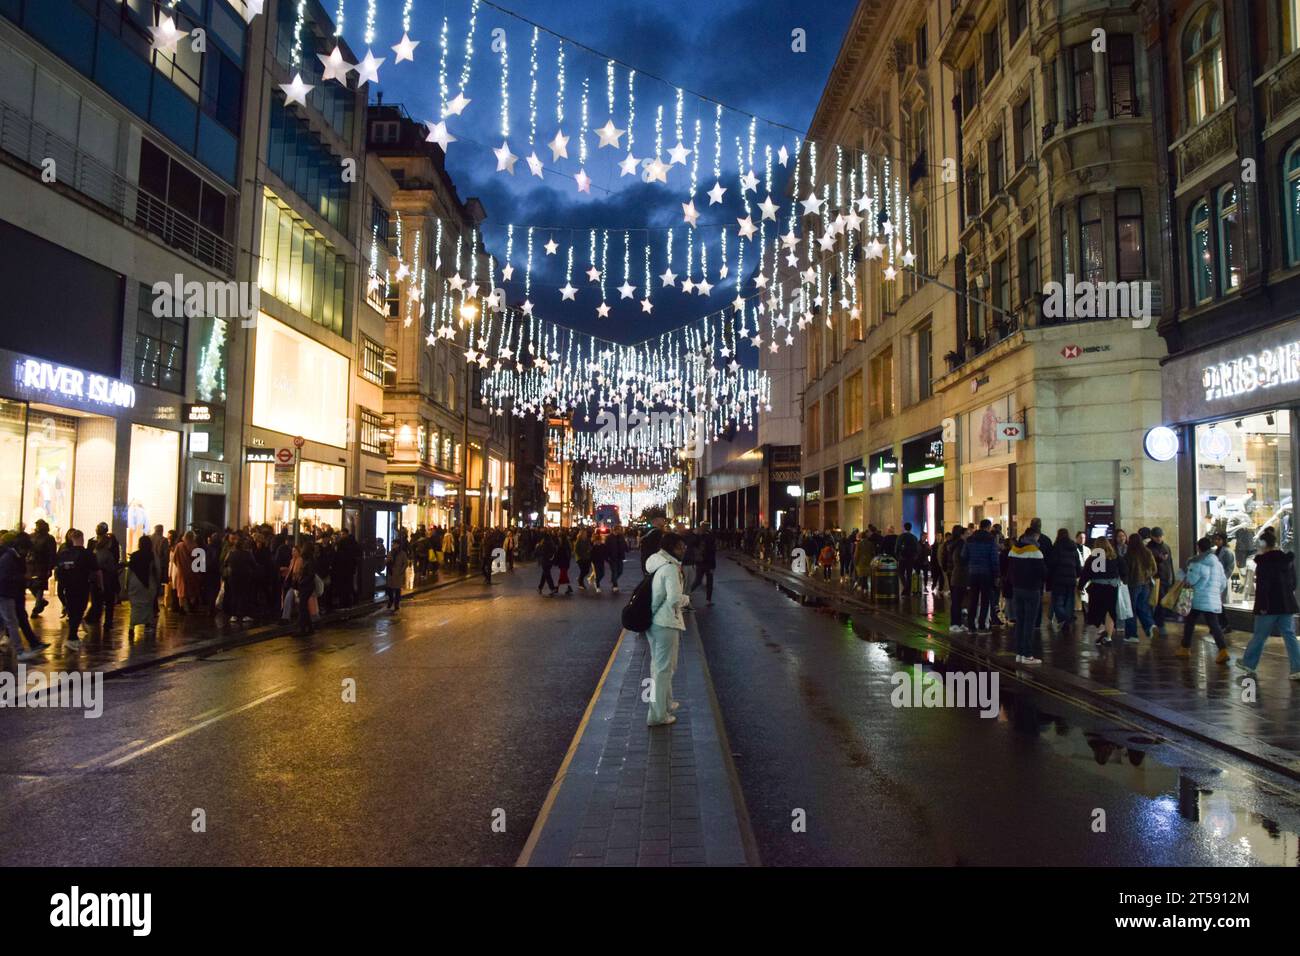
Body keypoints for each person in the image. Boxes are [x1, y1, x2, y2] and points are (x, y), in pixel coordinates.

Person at [1238, 527, 1300, 679]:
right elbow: (1293, 583)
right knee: (1289, 635)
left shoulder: (1264, 563)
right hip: (1286, 605)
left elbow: (1263, 587)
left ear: (1263, 544)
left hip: (1269, 606)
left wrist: (1263, 606)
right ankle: (1297, 668)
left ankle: (1248, 663)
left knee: (1260, 635)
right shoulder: (1287, 560)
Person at [645, 532, 689, 727]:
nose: (684, 549)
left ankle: (665, 704)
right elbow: (673, 598)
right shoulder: (670, 569)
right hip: (666, 622)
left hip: (654, 622)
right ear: (672, 548)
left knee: (660, 667)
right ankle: (657, 715)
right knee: (663, 670)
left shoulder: (657, 563)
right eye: (681, 546)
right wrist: (686, 599)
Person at [1178, 537, 1230, 664]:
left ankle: (1185, 648)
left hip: (1198, 598)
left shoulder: (1197, 562)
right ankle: (1223, 651)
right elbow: (1223, 582)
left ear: (1198, 548)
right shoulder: (1217, 564)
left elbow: (1190, 581)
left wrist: (1181, 575)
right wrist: (1215, 593)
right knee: (1214, 624)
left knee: (1190, 622)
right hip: (1212, 599)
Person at [0, 535, 44, 661]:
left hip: (6, 593)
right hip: (5, 593)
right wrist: (23, 577)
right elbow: (4, 577)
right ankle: (19, 652)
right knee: (12, 622)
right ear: (21, 548)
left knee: (6, 622)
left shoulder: (10, 557)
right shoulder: (9, 558)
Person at [55, 530, 99, 651]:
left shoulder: (64, 554)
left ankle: (73, 636)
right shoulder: (87, 554)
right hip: (82, 585)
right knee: (79, 610)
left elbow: (59, 569)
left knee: (73, 609)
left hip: (68, 586)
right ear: (82, 538)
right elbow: (96, 570)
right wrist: (100, 585)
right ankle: (72, 637)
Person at [1008, 530, 1046, 664]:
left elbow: (1009, 570)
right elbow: (1042, 573)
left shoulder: (1013, 551)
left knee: (1020, 621)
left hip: (1017, 589)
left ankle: (1019, 653)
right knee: (1029, 623)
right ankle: (1027, 654)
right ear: (1034, 537)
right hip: (1032, 590)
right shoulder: (1036, 553)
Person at [1079, 537, 1123, 646]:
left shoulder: (1093, 558)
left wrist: (1080, 586)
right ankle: (1108, 637)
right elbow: (1124, 570)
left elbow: (1085, 574)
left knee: (1096, 610)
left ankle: (1102, 628)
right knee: (1110, 612)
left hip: (1096, 588)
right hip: (1112, 588)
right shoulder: (1115, 557)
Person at [964, 519, 999, 633]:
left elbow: (963, 555)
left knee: (973, 599)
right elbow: (994, 559)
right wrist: (996, 575)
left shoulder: (970, 539)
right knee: (985, 600)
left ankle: (971, 626)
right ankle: (982, 625)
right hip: (986, 573)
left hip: (972, 573)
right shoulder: (991, 539)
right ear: (988, 527)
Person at [1122, 535, 1158, 644]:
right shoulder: (1147, 552)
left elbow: (1125, 571)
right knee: (1142, 607)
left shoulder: (1129, 554)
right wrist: (1147, 575)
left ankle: (1132, 635)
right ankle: (1150, 625)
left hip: (1132, 585)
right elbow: (1154, 569)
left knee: (1130, 610)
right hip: (1145, 585)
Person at [125, 536, 158, 640]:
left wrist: (126, 584)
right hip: (148, 581)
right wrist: (157, 582)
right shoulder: (152, 555)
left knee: (135, 605)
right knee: (147, 604)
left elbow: (129, 571)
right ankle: (148, 624)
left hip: (135, 582)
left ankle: (132, 626)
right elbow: (156, 569)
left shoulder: (134, 555)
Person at [1046, 528, 1079, 632]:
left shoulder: (1056, 547)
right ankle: (1067, 620)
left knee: (1057, 602)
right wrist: (1077, 574)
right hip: (1071, 578)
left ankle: (1063, 618)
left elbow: (1052, 563)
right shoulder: (1074, 547)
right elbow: (1078, 563)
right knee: (1069, 601)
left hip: (1058, 579)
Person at [1147, 527, 1175, 639]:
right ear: (1152, 536)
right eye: (1156, 536)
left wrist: (1172, 577)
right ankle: (1158, 624)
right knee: (1156, 602)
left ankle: (1158, 623)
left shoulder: (1166, 547)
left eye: (1160, 536)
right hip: (1155, 579)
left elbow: (1170, 563)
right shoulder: (1148, 548)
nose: (1159, 538)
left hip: (1165, 579)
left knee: (1161, 602)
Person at [27, 518, 56, 616]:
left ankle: (37, 607)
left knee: (39, 586)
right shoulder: (32, 536)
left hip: (42, 565)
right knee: (30, 584)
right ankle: (41, 602)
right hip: (31, 565)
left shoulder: (49, 538)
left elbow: (52, 554)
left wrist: (50, 567)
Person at [1213, 531, 1236, 634]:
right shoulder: (1214, 551)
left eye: (1219, 539)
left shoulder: (1227, 552)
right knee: (1217, 604)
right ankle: (1220, 624)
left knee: (1219, 604)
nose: (1217, 541)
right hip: (1215, 581)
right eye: (1216, 539)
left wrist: (1223, 578)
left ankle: (1225, 624)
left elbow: (1230, 568)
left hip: (1221, 581)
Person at [690, 522, 717, 605]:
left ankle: (687, 594)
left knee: (698, 580)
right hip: (708, 563)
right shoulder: (710, 537)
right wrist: (713, 565)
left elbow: (692, 547)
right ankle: (708, 600)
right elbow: (712, 552)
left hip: (700, 562)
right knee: (709, 582)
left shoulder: (698, 537)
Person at [385, 537, 408, 612]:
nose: (393, 545)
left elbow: (405, 563)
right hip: (391, 573)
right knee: (389, 589)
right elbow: (386, 562)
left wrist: (401, 571)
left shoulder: (402, 553)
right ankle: (391, 600)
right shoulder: (390, 552)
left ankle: (396, 604)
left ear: (398, 545)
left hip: (398, 574)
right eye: (392, 544)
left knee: (397, 590)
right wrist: (388, 561)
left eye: (394, 544)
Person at [895, 523, 919, 594]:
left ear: (904, 528)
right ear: (910, 528)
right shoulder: (914, 537)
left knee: (901, 573)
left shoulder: (900, 537)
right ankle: (908, 589)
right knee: (909, 574)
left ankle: (906, 587)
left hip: (902, 558)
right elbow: (917, 549)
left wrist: (898, 557)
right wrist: (915, 557)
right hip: (911, 558)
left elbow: (897, 547)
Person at [606, 529, 627, 593]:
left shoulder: (621, 537)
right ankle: (615, 585)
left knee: (620, 571)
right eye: (618, 530)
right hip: (612, 557)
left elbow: (624, 544)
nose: (620, 531)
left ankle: (613, 580)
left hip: (620, 557)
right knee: (614, 571)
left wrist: (627, 549)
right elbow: (607, 547)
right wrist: (607, 557)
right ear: (615, 530)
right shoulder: (609, 537)